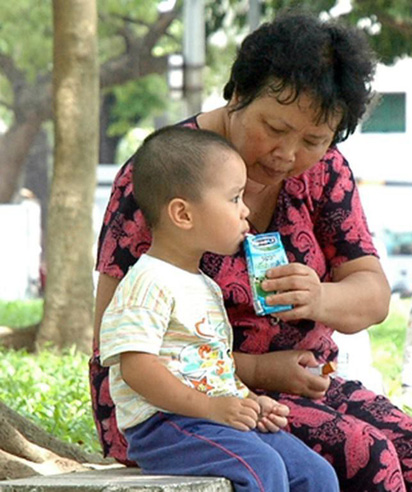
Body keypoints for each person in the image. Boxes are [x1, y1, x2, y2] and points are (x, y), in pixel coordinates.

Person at [91, 10, 412, 492]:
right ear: (236, 95)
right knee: (365, 455)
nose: (287, 154)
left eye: (314, 140)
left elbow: (373, 297)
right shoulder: (171, 172)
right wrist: (253, 370)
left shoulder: (325, 173)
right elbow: (117, 344)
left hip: (303, 388)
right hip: (185, 404)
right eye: (273, 127)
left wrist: (320, 299)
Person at [99, 125, 339, 492]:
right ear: (183, 214)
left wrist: (248, 401)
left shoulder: (203, 284)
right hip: (164, 425)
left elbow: (213, 368)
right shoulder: (148, 282)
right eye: (234, 198)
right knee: (261, 467)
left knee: (315, 473)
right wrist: (211, 409)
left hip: (211, 418)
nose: (245, 211)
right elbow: (137, 369)